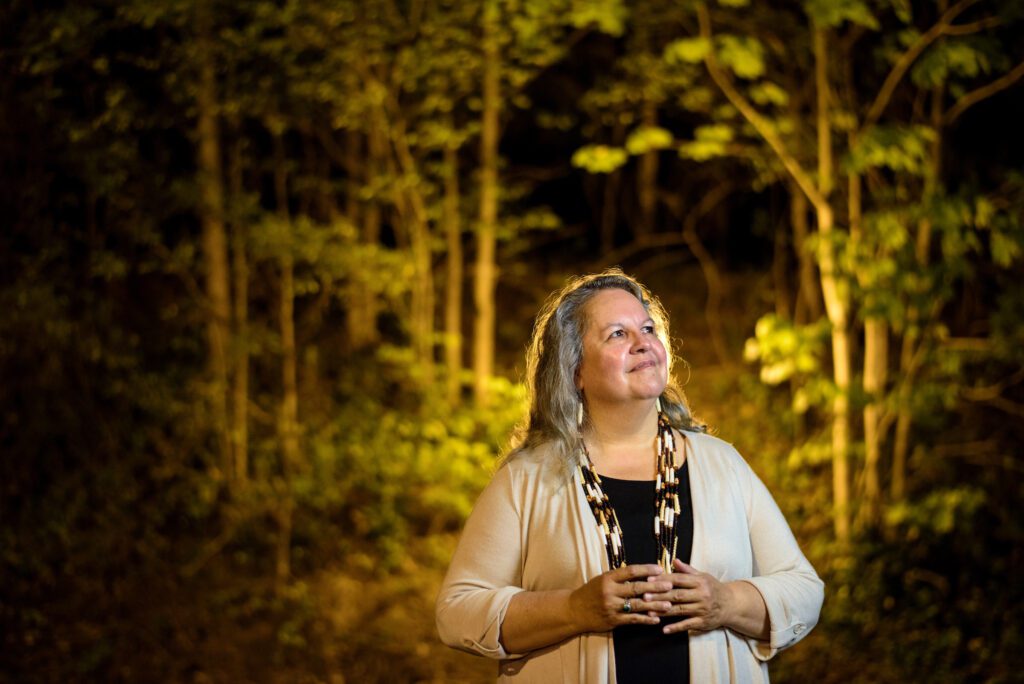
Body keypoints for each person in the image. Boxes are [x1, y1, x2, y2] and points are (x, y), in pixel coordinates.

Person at [436, 269, 823, 683]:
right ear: (575, 371)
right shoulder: (528, 478)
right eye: (617, 334)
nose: (643, 343)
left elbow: (804, 590)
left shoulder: (722, 464)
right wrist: (574, 609)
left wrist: (726, 602)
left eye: (648, 328)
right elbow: (457, 611)